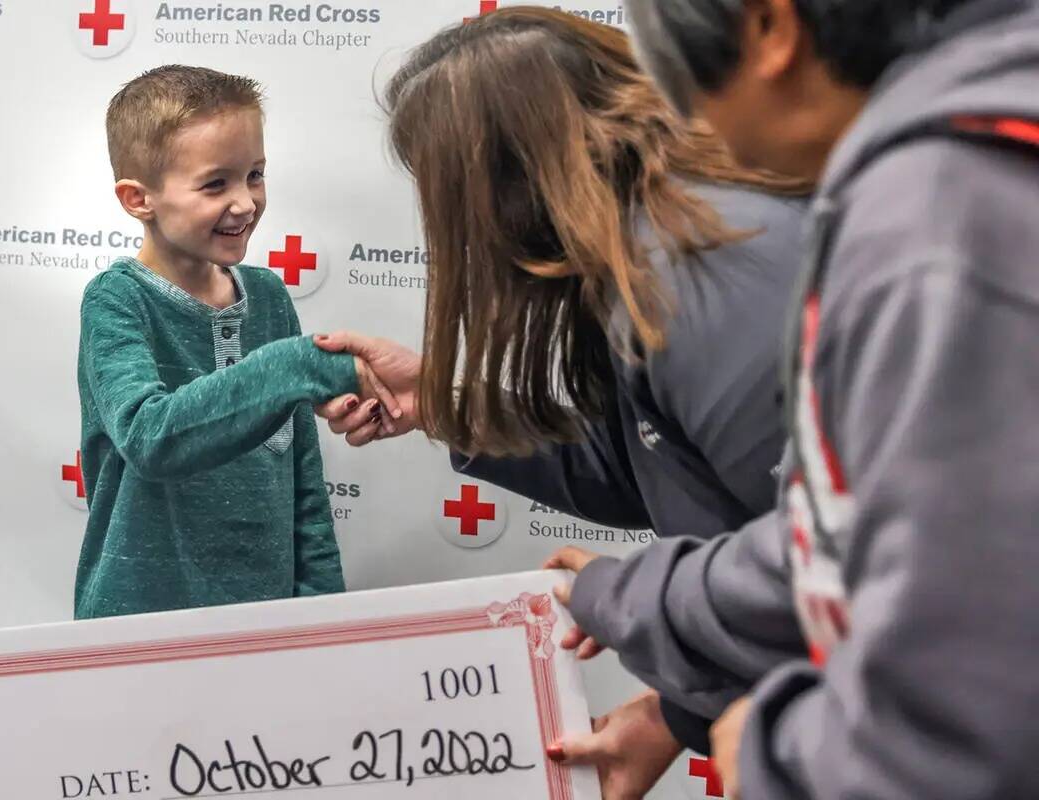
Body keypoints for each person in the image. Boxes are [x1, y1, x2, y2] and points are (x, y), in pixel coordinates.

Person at [546, 0, 1039, 797]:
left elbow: (967, 704)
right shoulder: (962, 166)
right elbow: (853, 537)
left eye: (677, 85)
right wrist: (638, 600)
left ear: (771, 30)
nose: (694, 131)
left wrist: (778, 761)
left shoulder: (937, 217)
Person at [313, 7, 811, 789]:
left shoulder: (708, 274)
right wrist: (442, 403)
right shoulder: (657, 252)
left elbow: (833, 562)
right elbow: (652, 470)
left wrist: (626, 595)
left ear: (502, 179)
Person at [75, 66, 398, 620]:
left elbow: (304, 478)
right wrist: (295, 367)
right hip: (136, 630)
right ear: (137, 199)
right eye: (215, 183)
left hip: (263, 623)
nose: (246, 202)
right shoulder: (115, 300)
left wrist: (321, 609)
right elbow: (149, 437)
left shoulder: (269, 297)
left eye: (255, 174)